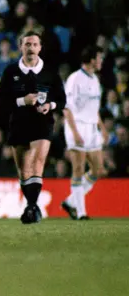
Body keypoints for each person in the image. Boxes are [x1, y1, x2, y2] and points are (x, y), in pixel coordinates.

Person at [0, 30, 66, 224]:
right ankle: (32, 207)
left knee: (37, 162)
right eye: (27, 44)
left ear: (40, 48)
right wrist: (22, 101)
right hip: (18, 123)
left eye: (34, 44)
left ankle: (32, 208)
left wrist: (49, 105)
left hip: (43, 123)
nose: (31, 48)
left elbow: (62, 99)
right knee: (23, 170)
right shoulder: (11, 71)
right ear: (20, 47)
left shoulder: (50, 71)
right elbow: (0, 100)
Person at [61, 46, 108, 220]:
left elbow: (94, 108)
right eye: (99, 58)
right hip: (77, 126)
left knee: (98, 169)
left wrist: (102, 127)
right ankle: (81, 213)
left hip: (92, 127)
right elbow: (67, 108)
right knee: (78, 168)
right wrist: (75, 132)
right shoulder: (75, 79)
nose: (101, 61)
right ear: (91, 60)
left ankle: (70, 202)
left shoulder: (95, 80)